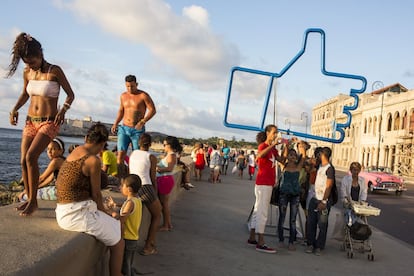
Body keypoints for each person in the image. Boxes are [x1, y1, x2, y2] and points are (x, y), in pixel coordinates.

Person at [7, 32, 75, 216]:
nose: (30, 65)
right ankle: (29, 198)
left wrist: (63, 110)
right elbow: (25, 94)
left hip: (49, 122)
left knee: (31, 157)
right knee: (23, 160)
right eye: (27, 62)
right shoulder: (27, 72)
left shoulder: (54, 71)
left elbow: (70, 94)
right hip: (30, 121)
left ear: (40, 54)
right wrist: (15, 109)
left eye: (33, 61)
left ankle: (33, 202)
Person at [55, 123, 124, 276]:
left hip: (66, 210)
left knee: (116, 226)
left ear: (87, 138)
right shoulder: (93, 160)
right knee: (119, 243)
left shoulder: (77, 151)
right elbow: (96, 194)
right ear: (102, 144)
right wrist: (105, 212)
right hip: (75, 215)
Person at [248, 124, 286, 253]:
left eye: (277, 133)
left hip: (268, 183)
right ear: (268, 133)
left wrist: (286, 146)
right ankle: (261, 241)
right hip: (263, 183)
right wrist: (272, 145)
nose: (275, 135)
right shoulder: (264, 146)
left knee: (257, 210)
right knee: (263, 212)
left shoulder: (273, 150)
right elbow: (260, 155)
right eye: (274, 132)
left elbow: (282, 160)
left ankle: (252, 236)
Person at [111, 75, 156, 179]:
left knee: (137, 156)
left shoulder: (143, 95)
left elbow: (153, 110)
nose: (130, 89)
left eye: (132, 86)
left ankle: (135, 180)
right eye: (127, 86)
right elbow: (121, 110)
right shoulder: (123, 96)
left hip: (137, 130)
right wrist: (115, 123)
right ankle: (121, 181)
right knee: (120, 155)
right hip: (124, 128)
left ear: (136, 84)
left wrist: (143, 121)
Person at [128, 133, 162, 255]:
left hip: (133, 186)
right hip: (146, 187)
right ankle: (148, 246)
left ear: (139, 143)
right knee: (157, 215)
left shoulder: (133, 154)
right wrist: (155, 192)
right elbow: (153, 177)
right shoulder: (151, 157)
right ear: (150, 144)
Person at [306, 146, 335, 256]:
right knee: (311, 223)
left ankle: (319, 246)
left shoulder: (329, 168)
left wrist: (324, 201)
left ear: (323, 155)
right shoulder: (319, 166)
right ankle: (310, 244)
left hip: (323, 200)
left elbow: (329, 186)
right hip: (314, 198)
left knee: (322, 224)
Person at [277, 145, 306, 251]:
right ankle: (281, 239)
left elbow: (303, 156)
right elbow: (281, 157)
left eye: (294, 155)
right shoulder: (283, 166)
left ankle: (291, 241)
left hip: (295, 195)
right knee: (282, 217)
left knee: (293, 219)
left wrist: (300, 145)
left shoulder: (298, 167)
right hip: (284, 194)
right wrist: (286, 146)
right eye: (291, 155)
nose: (292, 157)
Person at [115, 174, 143, 276]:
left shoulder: (130, 203)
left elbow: (122, 219)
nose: (120, 187)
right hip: (133, 238)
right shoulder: (137, 200)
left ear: (129, 189)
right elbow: (129, 209)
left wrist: (111, 212)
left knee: (125, 267)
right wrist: (116, 205)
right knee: (128, 264)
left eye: (122, 186)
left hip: (127, 239)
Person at [156, 136, 182, 231]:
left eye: (164, 144)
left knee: (164, 204)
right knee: (164, 204)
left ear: (169, 145)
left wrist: (158, 168)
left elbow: (170, 168)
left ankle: (166, 225)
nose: (164, 146)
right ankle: (168, 224)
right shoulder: (170, 155)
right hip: (165, 179)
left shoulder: (171, 155)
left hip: (165, 179)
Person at [341, 162, 367, 226]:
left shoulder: (362, 180)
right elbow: (343, 193)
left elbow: (364, 192)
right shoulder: (345, 179)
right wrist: (349, 202)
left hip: (358, 205)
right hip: (348, 205)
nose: (356, 172)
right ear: (351, 170)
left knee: (360, 224)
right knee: (349, 223)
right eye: (354, 170)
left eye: (358, 170)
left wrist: (362, 202)